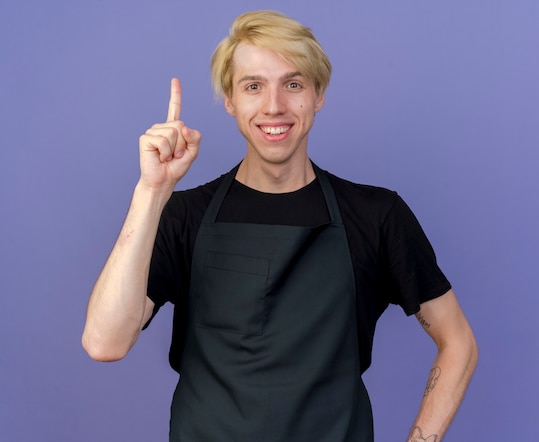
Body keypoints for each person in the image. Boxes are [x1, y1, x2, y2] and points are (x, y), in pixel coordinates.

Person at [82, 10, 477, 442]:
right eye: (253, 86)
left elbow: (458, 342)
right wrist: (151, 192)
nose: (274, 106)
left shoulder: (377, 216)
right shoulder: (183, 216)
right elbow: (105, 343)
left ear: (318, 94)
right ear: (230, 100)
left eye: (293, 84)